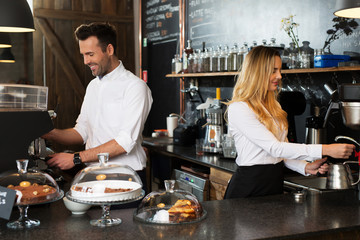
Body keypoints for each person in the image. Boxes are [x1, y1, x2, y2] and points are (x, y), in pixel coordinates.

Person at [224, 46, 355, 199]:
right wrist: (326, 149)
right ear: (257, 73)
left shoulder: (274, 106)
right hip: (247, 189)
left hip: (272, 187)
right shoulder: (240, 108)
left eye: (279, 70)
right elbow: (275, 148)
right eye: (273, 70)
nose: (279, 76)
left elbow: (281, 153)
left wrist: (304, 166)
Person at [42, 22, 153, 191]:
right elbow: (82, 131)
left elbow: (124, 143)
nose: (86, 61)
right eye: (83, 55)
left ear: (109, 49)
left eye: (90, 54)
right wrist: (49, 133)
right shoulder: (93, 86)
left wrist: (75, 158)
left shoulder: (135, 87)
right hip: (94, 175)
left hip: (125, 177)